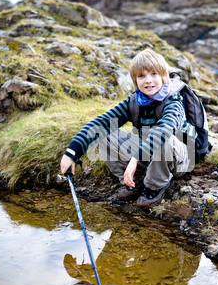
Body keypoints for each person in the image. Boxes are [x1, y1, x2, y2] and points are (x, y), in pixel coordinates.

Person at [60, 48, 194, 208]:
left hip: (178, 158)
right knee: (104, 133)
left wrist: (135, 159)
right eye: (142, 76)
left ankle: (154, 186)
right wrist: (71, 152)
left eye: (154, 74)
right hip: (147, 155)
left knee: (164, 139)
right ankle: (134, 180)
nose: (148, 80)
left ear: (164, 76)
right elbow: (101, 123)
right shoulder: (133, 102)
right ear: (135, 81)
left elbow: (165, 129)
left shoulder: (174, 101)